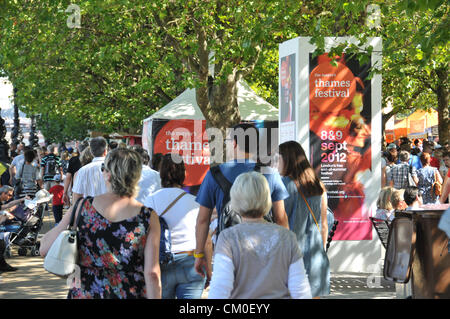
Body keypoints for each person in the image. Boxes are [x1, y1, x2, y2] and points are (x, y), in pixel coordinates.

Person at [40, 148, 161, 299]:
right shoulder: (148, 216)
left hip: (86, 291)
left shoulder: (82, 207)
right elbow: (152, 273)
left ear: (108, 174)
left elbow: (44, 248)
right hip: (130, 292)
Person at [194, 123, 290, 282]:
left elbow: (202, 221)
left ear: (235, 143)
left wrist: (199, 255)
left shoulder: (214, 174)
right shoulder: (270, 173)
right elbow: (281, 219)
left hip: (227, 253)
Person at [208, 171, 312, 299]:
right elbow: (300, 290)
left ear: (235, 199)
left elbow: (220, 288)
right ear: (267, 198)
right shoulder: (287, 237)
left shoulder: (228, 237)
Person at [144, 154, 207, 299]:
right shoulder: (195, 201)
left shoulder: (151, 200)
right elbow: (206, 239)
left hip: (162, 263)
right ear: (184, 173)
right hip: (191, 262)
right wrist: (208, 268)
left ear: (161, 174)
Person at [277, 140, 330, 298]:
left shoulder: (283, 185)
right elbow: (324, 225)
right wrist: (322, 249)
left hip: (290, 255)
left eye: (278, 158)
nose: (276, 163)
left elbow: (279, 221)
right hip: (316, 255)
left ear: (287, 160)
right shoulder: (319, 186)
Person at [71, 137, 108, 203]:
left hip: (89, 210)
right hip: (110, 210)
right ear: (105, 151)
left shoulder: (83, 171)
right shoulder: (114, 168)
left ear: (91, 151)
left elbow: (76, 197)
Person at [63, 141, 87, 206]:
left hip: (76, 189)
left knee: (76, 209)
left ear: (78, 149)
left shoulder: (73, 160)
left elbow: (68, 177)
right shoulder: (91, 160)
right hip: (89, 190)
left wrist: (65, 192)